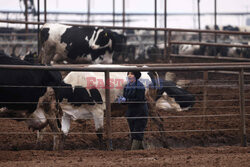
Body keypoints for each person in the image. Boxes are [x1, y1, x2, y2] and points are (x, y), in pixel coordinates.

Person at [117, 71, 148, 150]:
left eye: (132, 74)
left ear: (136, 76)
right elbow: (126, 101)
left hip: (140, 112)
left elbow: (139, 100)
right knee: (133, 131)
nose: (129, 76)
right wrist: (121, 101)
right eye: (128, 74)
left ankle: (133, 150)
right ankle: (142, 149)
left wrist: (126, 100)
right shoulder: (127, 86)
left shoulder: (140, 86)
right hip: (131, 112)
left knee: (137, 131)